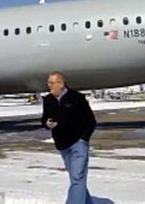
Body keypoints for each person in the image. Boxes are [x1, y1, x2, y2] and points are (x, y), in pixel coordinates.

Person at [41, 72, 96, 204]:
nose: (49, 86)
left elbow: (91, 121)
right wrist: (47, 123)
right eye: (48, 83)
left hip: (78, 144)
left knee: (77, 178)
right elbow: (44, 118)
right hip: (62, 146)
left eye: (51, 83)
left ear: (61, 84)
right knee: (76, 179)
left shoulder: (76, 98)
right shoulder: (48, 100)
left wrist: (84, 139)